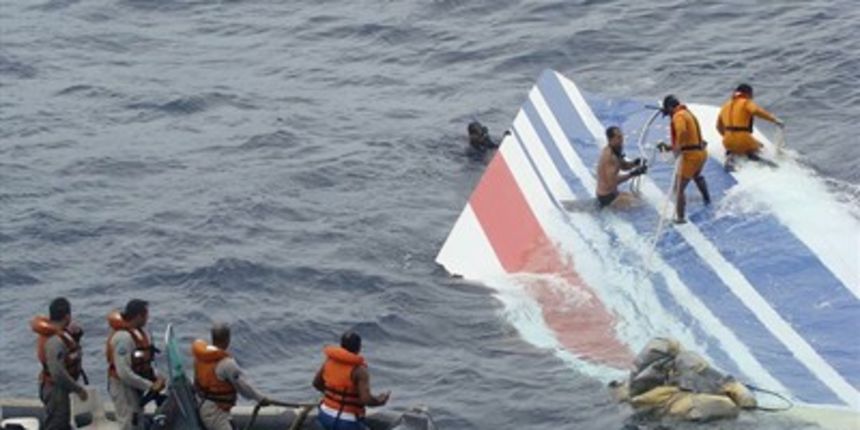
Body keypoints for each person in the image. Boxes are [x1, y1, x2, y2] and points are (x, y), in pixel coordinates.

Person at [192, 323, 272, 430]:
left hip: (202, 405)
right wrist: (261, 399)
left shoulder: (200, 358)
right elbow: (244, 387)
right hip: (215, 413)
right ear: (227, 340)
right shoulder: (227, 364)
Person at [106, 299, 166, 430]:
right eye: (146, 315)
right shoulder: (124, 338)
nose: (147, 319)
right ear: (139, 316)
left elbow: (144, 360)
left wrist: (156, 378)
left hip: (134, 387)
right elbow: (124, 373)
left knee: (137, 422)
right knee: (129, 423)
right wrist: (150, 386)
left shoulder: (137, 334)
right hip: (123, 388)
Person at [312, 331, 390, 430]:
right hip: (346, 422)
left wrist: (334, 395)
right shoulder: (360, 371)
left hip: (324, 415)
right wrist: (380, 401)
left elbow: (316, 383)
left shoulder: (329, 361)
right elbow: (365, 399)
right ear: (359, 348)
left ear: (341, 345)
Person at [31, 298, 88, 430]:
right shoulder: (55, 341)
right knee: (57, 425)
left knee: (63, 423)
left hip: (58, 388)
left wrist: (76, 338)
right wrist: (78, 389)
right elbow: (58, 373)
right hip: (55, 390)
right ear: (67, 316)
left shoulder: (61, 335)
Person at [659, 95, 711, 224]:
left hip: (691, 157)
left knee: (678, 188)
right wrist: (669, 147)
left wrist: (676, 148)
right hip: (701, 153)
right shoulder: (687, 113)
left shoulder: (679, 116)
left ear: (671, 107)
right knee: (697, 176)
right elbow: (689, 140)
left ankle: (680, 218)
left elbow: (681, 131)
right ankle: (707, 199)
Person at [716, 84, 784, 171]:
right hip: (743, 140)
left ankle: (731, 156)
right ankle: (753, 156)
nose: (752, 97)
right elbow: (755, 110)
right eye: (752, 95)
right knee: (761, 146)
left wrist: (729, 137)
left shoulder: (725, 106)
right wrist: (774, 119)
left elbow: (718, 127)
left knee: (735, 147)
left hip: (727, 142)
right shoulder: (746, 102)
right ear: (748, 94)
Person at [596, 126, 647, 209]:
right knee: (640, 205)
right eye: (619, 137)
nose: (622, 140)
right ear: (610, 140)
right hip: (607, 197)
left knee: (639, 198)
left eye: (622, 136)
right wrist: (633, 174)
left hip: (613, 193)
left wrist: (635, 163)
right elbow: (612, 182)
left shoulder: (615, 150)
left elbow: (623, 166)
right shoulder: (609, 156)